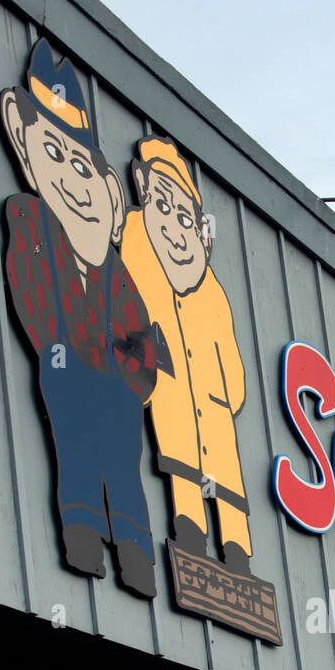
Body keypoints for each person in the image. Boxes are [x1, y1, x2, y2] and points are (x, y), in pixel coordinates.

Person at [0, 38, 158, 597]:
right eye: (56, 154)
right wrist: (58, 352)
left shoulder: (117, 271)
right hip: (68, 372)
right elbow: (30, 294)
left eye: (85, 166)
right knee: (76, 454)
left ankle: (136, 551)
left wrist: (135, 375)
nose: (75, 178)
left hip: (116, 390)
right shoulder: (32, 222)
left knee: (123, 467)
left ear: (112, 193)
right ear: (25, 148)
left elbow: (143, 333)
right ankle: (84, 535)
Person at [121, 137, 251, 574]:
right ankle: (191, 540)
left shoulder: (211, 288)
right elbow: (132, 315)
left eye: (185, 217)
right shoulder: (138, 244)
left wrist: (225, 394)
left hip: (212, 406)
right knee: (183, 473)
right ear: (141, 190)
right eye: (164, 207)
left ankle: (236, 555)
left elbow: (233, 371)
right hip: (172, 392)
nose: (176, 229)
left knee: (226, 488)